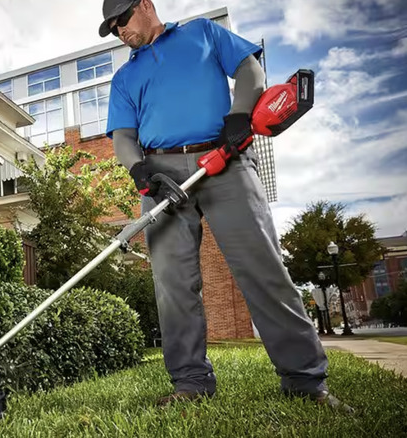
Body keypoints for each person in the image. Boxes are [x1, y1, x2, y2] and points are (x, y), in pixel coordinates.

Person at [98, 0, 352, 412]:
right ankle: (191, 383)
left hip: (225, 158)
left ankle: (305, 381)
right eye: (112, 29)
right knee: (173, 286)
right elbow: (124, 136)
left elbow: (251, 70)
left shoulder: (202, 33)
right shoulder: (125, 76)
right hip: (162, 177)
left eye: (122, 20)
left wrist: (239, 115)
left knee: (262, 267)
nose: (119, 31)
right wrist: (140, 171)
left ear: (145, 5)